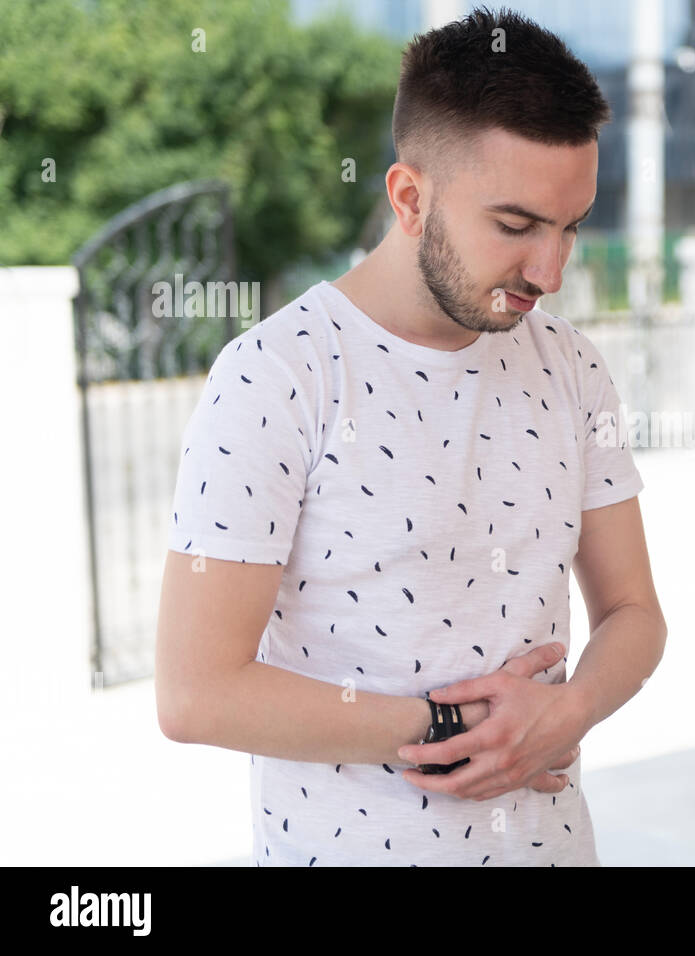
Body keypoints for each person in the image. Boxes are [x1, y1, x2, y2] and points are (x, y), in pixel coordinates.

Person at [154, 6, 668, 867]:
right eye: (516, 226)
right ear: (409, 198)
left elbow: (635, 613)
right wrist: (448, 729)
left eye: (570, 226)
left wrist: (564, 713)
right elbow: (195, 693)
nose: (550, 271)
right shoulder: (275, 377)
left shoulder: (574, 366)